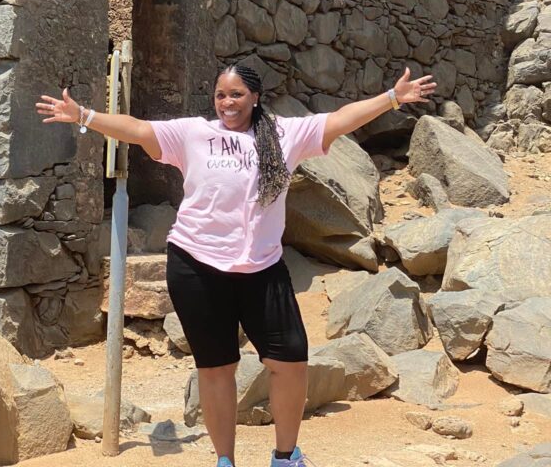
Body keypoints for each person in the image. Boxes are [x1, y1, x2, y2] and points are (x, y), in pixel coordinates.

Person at [36, 63, 436, 467]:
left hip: (262, 268)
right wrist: (83, 115)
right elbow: (138, 129)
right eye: (221, 95)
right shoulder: (194, 133)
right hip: (195, 265)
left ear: (255, 97)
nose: (227, 103)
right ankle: (224, 460)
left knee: (291, 362)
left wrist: (391, 98)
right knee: (216, 368)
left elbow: (338, 120)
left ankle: (285, 456)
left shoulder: (283, 135)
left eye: (237, 95)